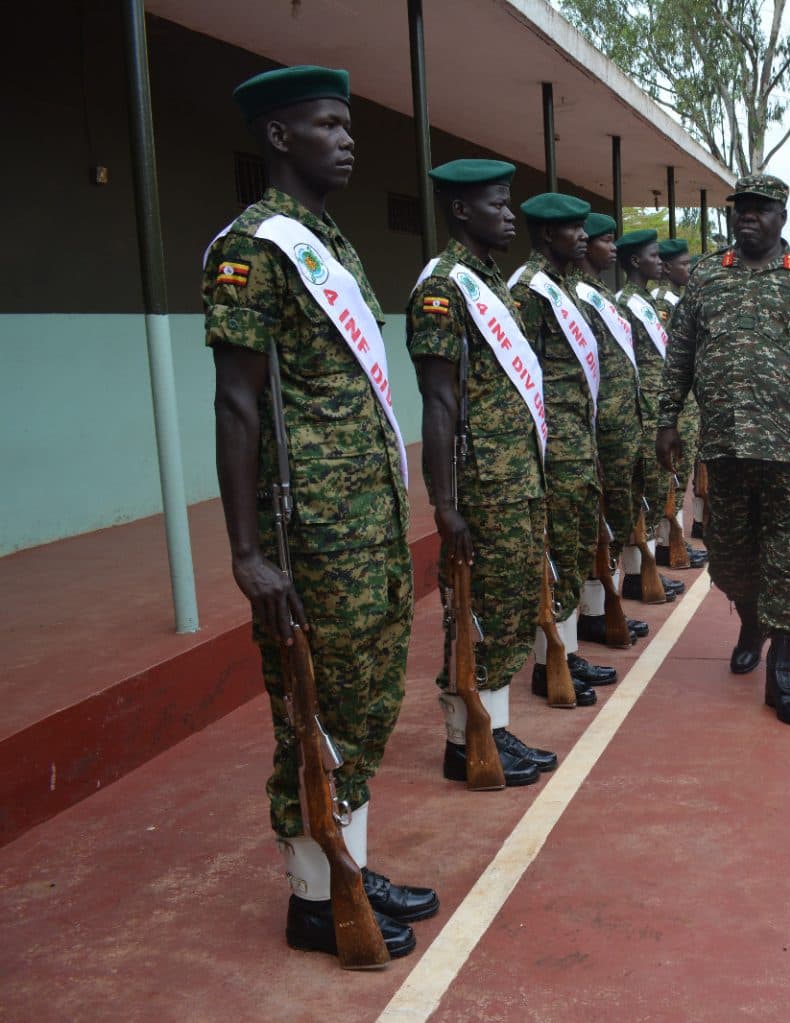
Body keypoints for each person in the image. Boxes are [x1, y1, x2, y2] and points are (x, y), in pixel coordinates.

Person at [205, 65, 434, 960]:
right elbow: (236, 404)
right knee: (315, 708)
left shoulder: (327, 240)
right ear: (278, 136)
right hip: (309, 534)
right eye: (326, 125)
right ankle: (313, 894)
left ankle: (347, 860)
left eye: (346, 125)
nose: (345, 139)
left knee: (365, 700)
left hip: (364, 520)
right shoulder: (255, 248)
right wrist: (246, 552)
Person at [656, 174, 790, 725]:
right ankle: (751, 618)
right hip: (724, 444)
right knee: (727, 554)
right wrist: (667, 420)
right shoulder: (705, 276)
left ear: (782, 217)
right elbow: (679, 353)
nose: (748, 216)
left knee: (789, 556)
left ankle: (784, 668)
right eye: (741, 208)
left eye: (760, 209)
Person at [407, 158, 556, 790]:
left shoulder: (490, 282)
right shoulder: (444, 288)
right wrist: (444, 502)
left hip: (517, 478)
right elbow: (437, 404)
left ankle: (493, 726)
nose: (508, 215)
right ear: (462, 210)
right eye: (496, 204)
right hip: (481, 486)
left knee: (514, 606)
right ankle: (462, 738)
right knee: (477, 613)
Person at [510, 193, 615, 708]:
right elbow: (521, 375)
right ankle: (545, 661)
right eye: (572, 229)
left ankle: (567, 650)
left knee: (571, 552)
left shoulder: (565, 289)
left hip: (580, 440)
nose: (583, 235)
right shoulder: (529, 293)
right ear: (548, 235)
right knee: (552, 556)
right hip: (553, 449)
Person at [572, 212, 650, 647]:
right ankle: (593, 615)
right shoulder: (574, 296)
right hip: (598, 435)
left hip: (622, 430)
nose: (611, 247)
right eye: (605, 239)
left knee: (614, 524)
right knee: (592, 534)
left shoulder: (602, 296)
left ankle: (604, 608)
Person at [614, 229, 686, 605]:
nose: (660, 262)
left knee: (656, 493)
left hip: (657, 408)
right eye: (654, 256)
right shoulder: (627, 302)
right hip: (642, 413)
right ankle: (634, 576)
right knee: (639, 498)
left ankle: (647, 568)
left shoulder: (644, 300)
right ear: (635, 261)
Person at [653, 238, 708, 567]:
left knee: (682, 475)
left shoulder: (680, 300)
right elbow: (665, 358)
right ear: (667, 267)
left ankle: (677, 540)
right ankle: (666, 544)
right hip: (674, 402)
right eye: (684, 264)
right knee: (671, 477)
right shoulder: (662, 303)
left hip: (688, 401)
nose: (688, 269)